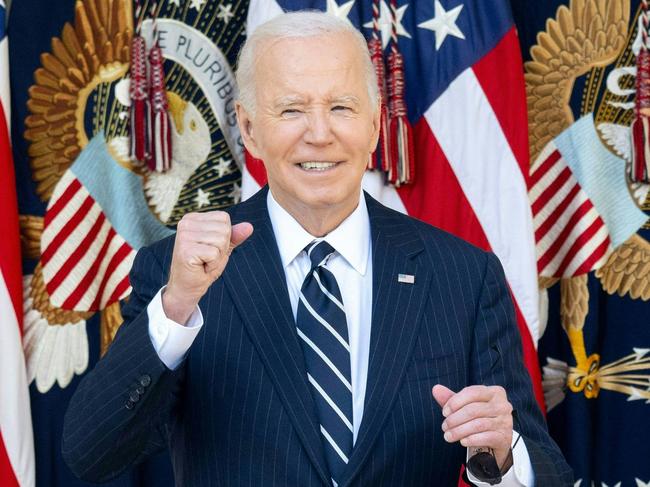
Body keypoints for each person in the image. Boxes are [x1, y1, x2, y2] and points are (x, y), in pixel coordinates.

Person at [62, 11, 572, 487]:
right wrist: (175, 307)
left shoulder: (464, 274)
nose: (320, 134)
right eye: (291, 109)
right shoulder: (179, 276)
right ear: (248, 129)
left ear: (374, 125)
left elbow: (546, 469)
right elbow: (91, 453)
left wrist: (504, 453)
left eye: (341, 107)